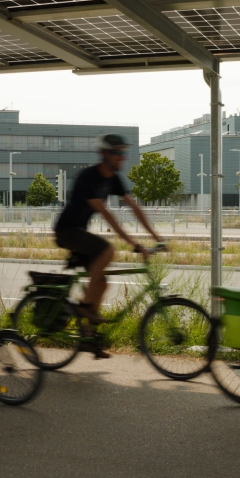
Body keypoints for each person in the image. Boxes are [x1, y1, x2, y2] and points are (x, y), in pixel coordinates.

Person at [53, 134, 164, 358]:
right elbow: (108, 215)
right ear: (104, 153)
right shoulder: (88, 177)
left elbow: (134, 208)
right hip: (67, 231)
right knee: (108, 250)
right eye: (117, 152)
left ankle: (88, 339)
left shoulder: (114, 178)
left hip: (80, 233)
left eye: (124, 152)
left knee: (101, 283)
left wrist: (157, 237)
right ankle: (84, 307)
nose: (122, 157)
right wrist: (134, 244)